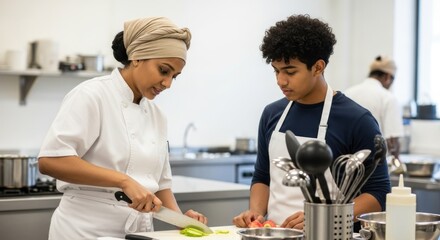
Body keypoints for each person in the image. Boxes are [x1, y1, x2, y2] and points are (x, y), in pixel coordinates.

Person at [38, 17, 207, 239]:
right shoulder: (92, 95)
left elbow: (161, 185)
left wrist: (182, 221)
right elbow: (50, 161)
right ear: (136, 57)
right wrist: (123, 181)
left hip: (139, 232)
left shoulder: (157, 115)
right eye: (163, 70)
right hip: (85, 230)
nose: (168, 84)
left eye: (174, 76)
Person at [232, 14, 390, 231]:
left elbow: (379, 193)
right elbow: (262, 176)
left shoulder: (357, 120)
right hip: (276, 233)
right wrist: (256, 213)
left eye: (290, 71)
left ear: (318, 67)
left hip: (329, 233)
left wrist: (327, 216)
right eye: (276, 71)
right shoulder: (272, 114)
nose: (280, 80)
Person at [344, 56, 404, 159]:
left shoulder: (347, 93)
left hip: (346, 161)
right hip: (375, 165)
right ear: (387, 77)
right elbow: (393, 142)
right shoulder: (388, 98)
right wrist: (398, 163)